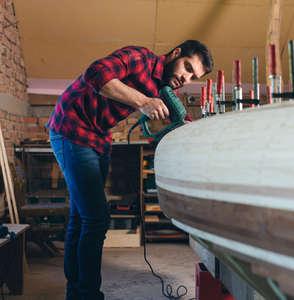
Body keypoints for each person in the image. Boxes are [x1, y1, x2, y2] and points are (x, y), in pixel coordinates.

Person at [47, 40, 214, 300]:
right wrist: (144, 101)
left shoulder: (165, 87)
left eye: (194, 76)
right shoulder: (141, 58)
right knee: (96, 219)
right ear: (176, 54)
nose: (186, 77)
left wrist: (200, 135)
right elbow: (95, 74)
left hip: (98, 137)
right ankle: (89, 294)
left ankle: (76, 293)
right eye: (187, 67)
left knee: (81, 219)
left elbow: (179, 117)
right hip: (71, 128)